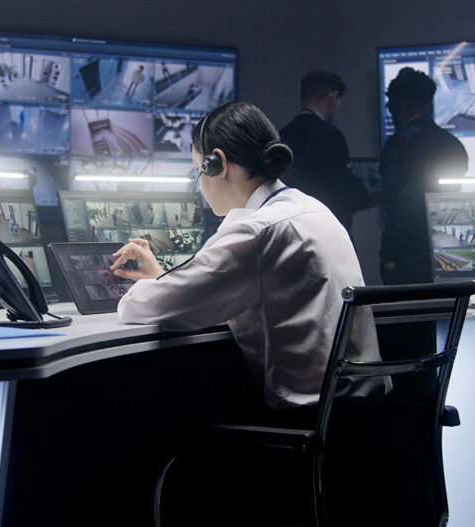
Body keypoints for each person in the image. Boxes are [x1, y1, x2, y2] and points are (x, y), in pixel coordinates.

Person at [111, 101, 389, 411]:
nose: (199, 183)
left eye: (197, 168)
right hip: (357, 412)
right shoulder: (314, 210)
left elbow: (142, 307)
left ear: (217, 165)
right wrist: (162, 278)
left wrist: (154, 284)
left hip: (306, 418)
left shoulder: (256, 232)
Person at [380, 67, 468, 284]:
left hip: (410, 258)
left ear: (400, 107)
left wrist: (389, 255)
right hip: (453, 252)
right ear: (430, 105)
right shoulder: (454, 145)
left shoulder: (401, 144)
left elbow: (403, 205)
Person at [279, 70, 372, 237]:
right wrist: (367, 195)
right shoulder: (331, 136)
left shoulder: (282, 136)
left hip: (292, 234)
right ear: (332, 97)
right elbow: (343, 189)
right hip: (329, 234)